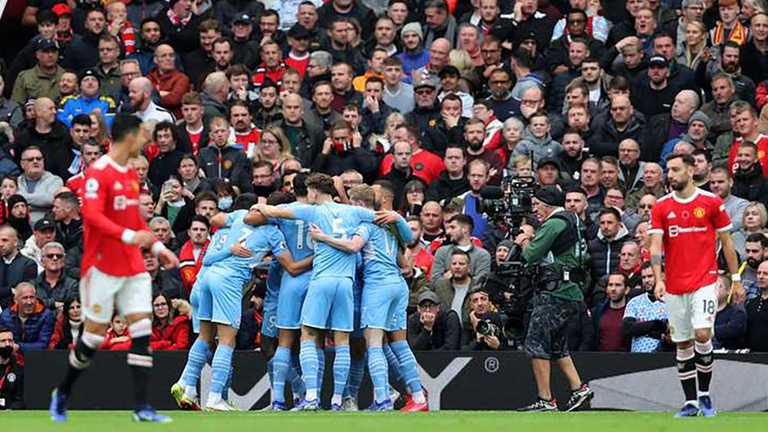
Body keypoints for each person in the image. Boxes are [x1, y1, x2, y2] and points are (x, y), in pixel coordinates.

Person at [49, 113, 180, 423]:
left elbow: (135, 220)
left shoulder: (131, 174)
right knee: (93, 338)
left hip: (132, 266)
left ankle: (142, 407)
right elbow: (92, 216)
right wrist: (129, 236)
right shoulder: (99, 172)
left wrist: (158, 247)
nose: (146, 139)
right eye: (142, 133)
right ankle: (64, 391)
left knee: (142, 329)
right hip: (101, 267)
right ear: (129, 136)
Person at [252, 173, 411, 411]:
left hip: (321, 280)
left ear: (314, 191)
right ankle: (338, 399)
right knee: (342, 340)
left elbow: (272, 212)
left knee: (308, 335)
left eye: (310, 191)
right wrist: (397, 216)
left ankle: (311, 397)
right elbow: (387, 221)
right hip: (346, 284)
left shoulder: (312, 211)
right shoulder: (353, 211)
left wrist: (259, 205)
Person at [308, 184, 427, 411]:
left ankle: (383, 399)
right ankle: (419, 397)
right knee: (400, 344)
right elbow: (409, 242)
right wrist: (397, 217)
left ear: (361, 204)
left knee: (374, 345)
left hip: (378, 287)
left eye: (353, 203)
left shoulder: (365, 225)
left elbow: (354, 248)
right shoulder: (390, 225)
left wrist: (323, 237)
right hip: (398, 286)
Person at [649, 153, 744, 417]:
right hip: (674, 284)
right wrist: (659, 278)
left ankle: (704, 395)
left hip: (705, 279)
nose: (670, 175)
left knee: (702, 334)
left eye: (676, 169)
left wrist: (736, 279)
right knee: (682, 343)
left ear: (691, 171)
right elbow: (655, 246)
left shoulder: (711, 202)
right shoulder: (661, 206)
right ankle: (690, 402)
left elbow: (727, 243)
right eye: (668, 170)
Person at [515, 186, 593, 412]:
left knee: (536, 342)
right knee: (557, 345)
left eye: (537, 205)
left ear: (547, 204)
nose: (535, 209)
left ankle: (545, 399)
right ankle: (579, 389)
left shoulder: (555, 222)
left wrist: (524, 240)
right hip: (572, 291)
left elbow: (531, 255)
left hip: (555, 290)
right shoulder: (574, 220)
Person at [623, 262, 669, 353]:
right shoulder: (635, 302)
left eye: (650, 276)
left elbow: (670, 332)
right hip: (637, 356)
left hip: (663, 356)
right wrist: (657, 324)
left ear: (662, 276)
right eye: (644, 277)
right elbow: (627, 329)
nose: (646, 280)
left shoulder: (672, 301)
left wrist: (641, 328)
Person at [0, 282, 55, 352]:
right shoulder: (5, 316)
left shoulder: (46, 315)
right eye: (25, 298)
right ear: (15, 300)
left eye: (32, 297)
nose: (29, 302)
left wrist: (19, 347)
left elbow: (43, 345)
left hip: (37, 355)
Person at [0, 325, 25, 409]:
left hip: (9, 412)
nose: (7, 344)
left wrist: (11, 409)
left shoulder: (18, 369)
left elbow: (20, 400)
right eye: (3, 341)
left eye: (10, 341)